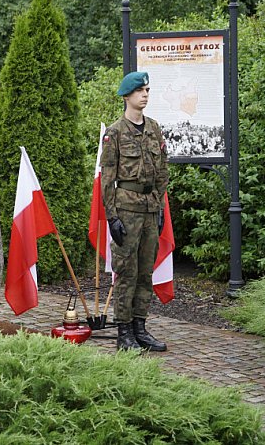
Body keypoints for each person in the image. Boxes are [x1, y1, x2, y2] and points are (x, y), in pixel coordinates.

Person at [100, 71, 169, 352]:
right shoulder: (115, 133)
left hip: (151, 208)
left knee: (145, 272)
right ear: (127, 95)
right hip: (126, 208)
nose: (145, 95)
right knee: (126, 271)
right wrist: (112, 216)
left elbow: (162, 170)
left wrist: (161, 205)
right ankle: (124, 332)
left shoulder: (154, 128)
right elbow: (107, 177)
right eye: (140, 91)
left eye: (148, 91)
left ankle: (140, 328)